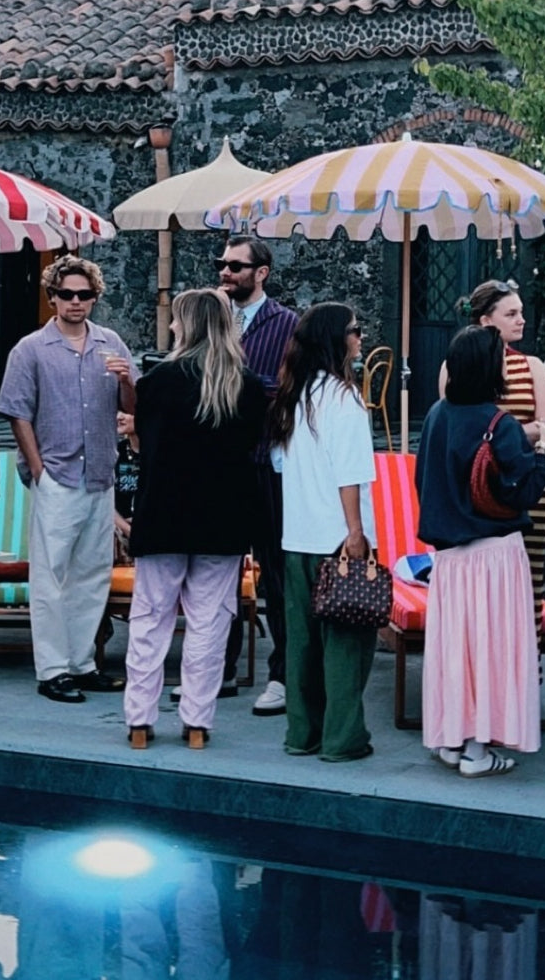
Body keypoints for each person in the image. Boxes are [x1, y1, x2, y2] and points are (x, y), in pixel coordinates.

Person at [122, 289, 267, 749]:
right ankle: (198, 721)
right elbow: (250, 448)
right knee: (209, 622)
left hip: (162, 511)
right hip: (222, 516)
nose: (170, 328)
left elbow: (144, 449)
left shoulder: (157, 381)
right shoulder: (245, 384)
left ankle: (140, 719)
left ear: (187, 324)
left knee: (149, 618)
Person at [418, 326, 545, 776]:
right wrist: (543, 447)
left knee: (455, 651)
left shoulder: (436, 416)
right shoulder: (498, 424)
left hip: (449, 558)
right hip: (495, 555)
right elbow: (523, 491)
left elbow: (425, 480)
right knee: (490, 650)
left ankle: (451, 737)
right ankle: (478, 751)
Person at [0, 254, 138, 704]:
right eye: (66, 294)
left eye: (84, 295)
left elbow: (134, 406)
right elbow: (16, 410)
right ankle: (53, 669)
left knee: (92, 574)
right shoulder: (30, 349)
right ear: (52, 296)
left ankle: (83, 663)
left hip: (100, 472)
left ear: (95, 297)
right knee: (51, 576)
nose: (75, 302)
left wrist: (127, 380)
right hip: (57, 472)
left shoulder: (111, 343)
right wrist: (37, 468)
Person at [269, 302, 377, 762]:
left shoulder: (293, 396)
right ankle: (342, 738)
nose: (360, 337)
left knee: (303, 644)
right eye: (355, 330)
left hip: (297, 536)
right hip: (338, 536)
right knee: (346, 644)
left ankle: (302, 733)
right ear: (338, 340)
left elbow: (279, 463)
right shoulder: (343, 398)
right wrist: (356, 532)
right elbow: (349, 474)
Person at [441, 280, 545, 643]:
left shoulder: (533, 365)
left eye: (521, 312)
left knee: (529, 592)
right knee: (476, 600)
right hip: (476, 496)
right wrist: (511, 432)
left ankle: (523, 681)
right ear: (486, 321)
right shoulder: (454, 365)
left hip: (525, 490)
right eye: (512, 314)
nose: (522, 320)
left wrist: (500, 432)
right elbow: (457, 430)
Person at [216, 234, 299, 716]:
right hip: (221, 464)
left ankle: (282, 677)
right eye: (223, 264)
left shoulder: (286, 324)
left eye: (235, 266)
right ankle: (219, 669)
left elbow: (287, 389)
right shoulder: (211, 319)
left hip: (267, 462)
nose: (225, 272)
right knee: (219, 573)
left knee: (277, 573)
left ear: (261, 272)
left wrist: (239, 386)